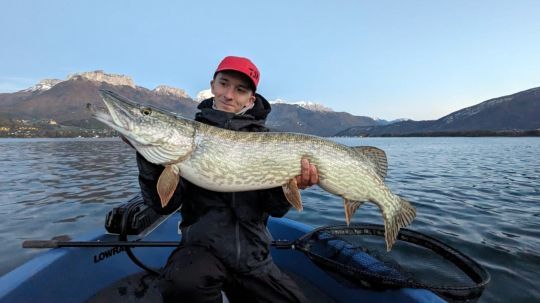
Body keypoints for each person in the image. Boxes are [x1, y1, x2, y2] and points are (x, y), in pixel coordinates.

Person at [133, 56, 319, 303]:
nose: (229, 95)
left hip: (253, 256)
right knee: (181, 284)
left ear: (250, 99)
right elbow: (163, 205)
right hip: (200, 251)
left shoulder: (269, 140)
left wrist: (295, 184)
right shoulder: (186, 137)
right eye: (224, 84)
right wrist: (148, 155)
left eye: (240, 90)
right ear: (212, 86)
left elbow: (276, 209)